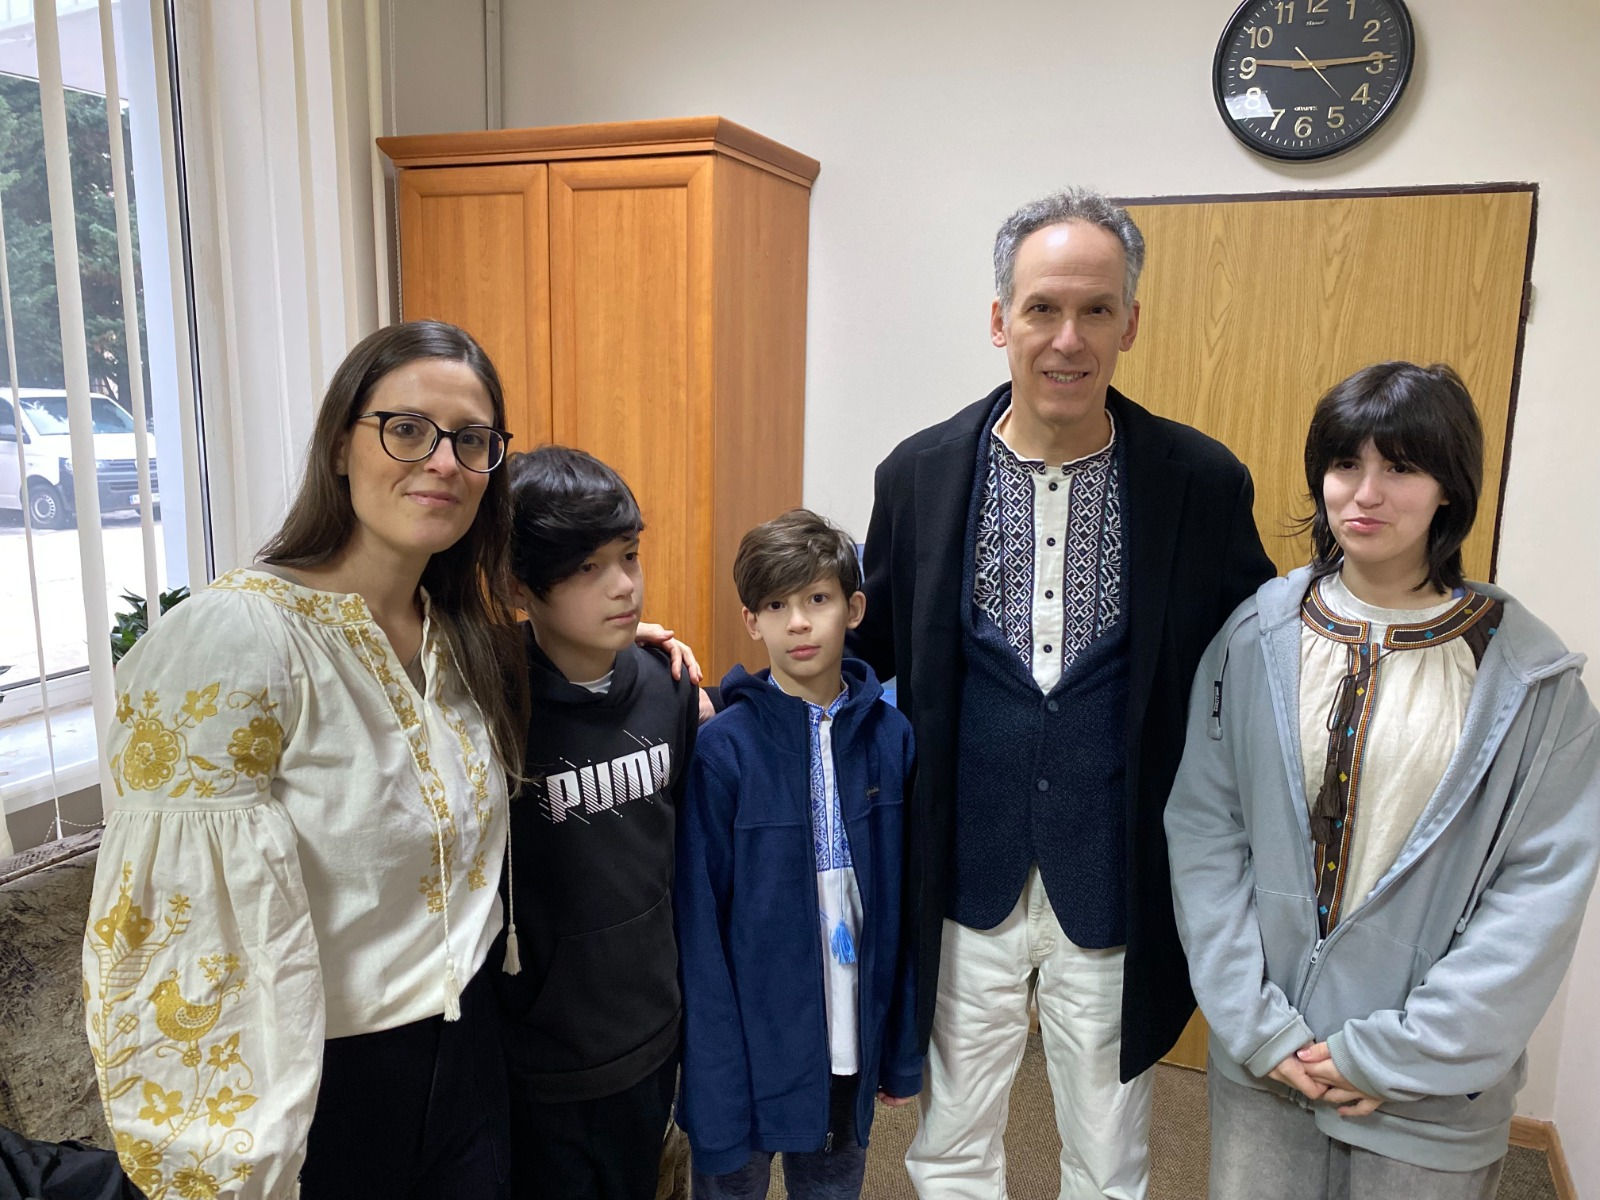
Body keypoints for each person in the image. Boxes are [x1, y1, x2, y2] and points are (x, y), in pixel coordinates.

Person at [850, 188, 1276, 1198]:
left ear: (1131, 322)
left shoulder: (1200, 481)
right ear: (1000, 319)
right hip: (965, 873)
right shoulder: (917, 475)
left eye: (1095, 310)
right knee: (951, 1146)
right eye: (1043, 308)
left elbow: (1262, 657)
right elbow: (861, 649)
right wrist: (718, 692)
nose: (1068, 338)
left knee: (1108, 1154)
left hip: (1118, 874)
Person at [83, 320, 527, 1199]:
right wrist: (228, 1158)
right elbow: (172, 947)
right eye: (407, 429)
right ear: (338, 448)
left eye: (471, 440)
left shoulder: (460, 637)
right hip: (319, 1085)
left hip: (471, 1055)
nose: (443, 461)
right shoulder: (236, 640)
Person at [1165, 361, 1600, 1198]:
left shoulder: (1531, 681)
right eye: (1345, 464)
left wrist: (1401, 1053)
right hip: (1269, 1066)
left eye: (1400, 467)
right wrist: (1255, 1024)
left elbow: (1538, 896)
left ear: (1449, 488)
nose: (1365, 493)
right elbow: (1206, 835)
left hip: (1426, 1096)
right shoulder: (1252, 639)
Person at [676, 508, 921, 1199]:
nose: (800, 624)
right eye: (777, 606)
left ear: (854, 608)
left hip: (848, 1041)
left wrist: (899, 1052)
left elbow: (904, 908)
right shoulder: (724, 749)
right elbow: (700, 926)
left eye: (817, 599)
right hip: (748, 1053)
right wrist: (711, 1074)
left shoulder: (892, 739)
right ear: (752, 621)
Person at [495, 445, 701, 1200]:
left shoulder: (668, 687)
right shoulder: (488, 701)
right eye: (587, 567)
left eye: (629, 555)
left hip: (650, 1030)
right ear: (520, 585)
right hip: (540, 1052)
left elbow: (682, 854)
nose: (624, 585)